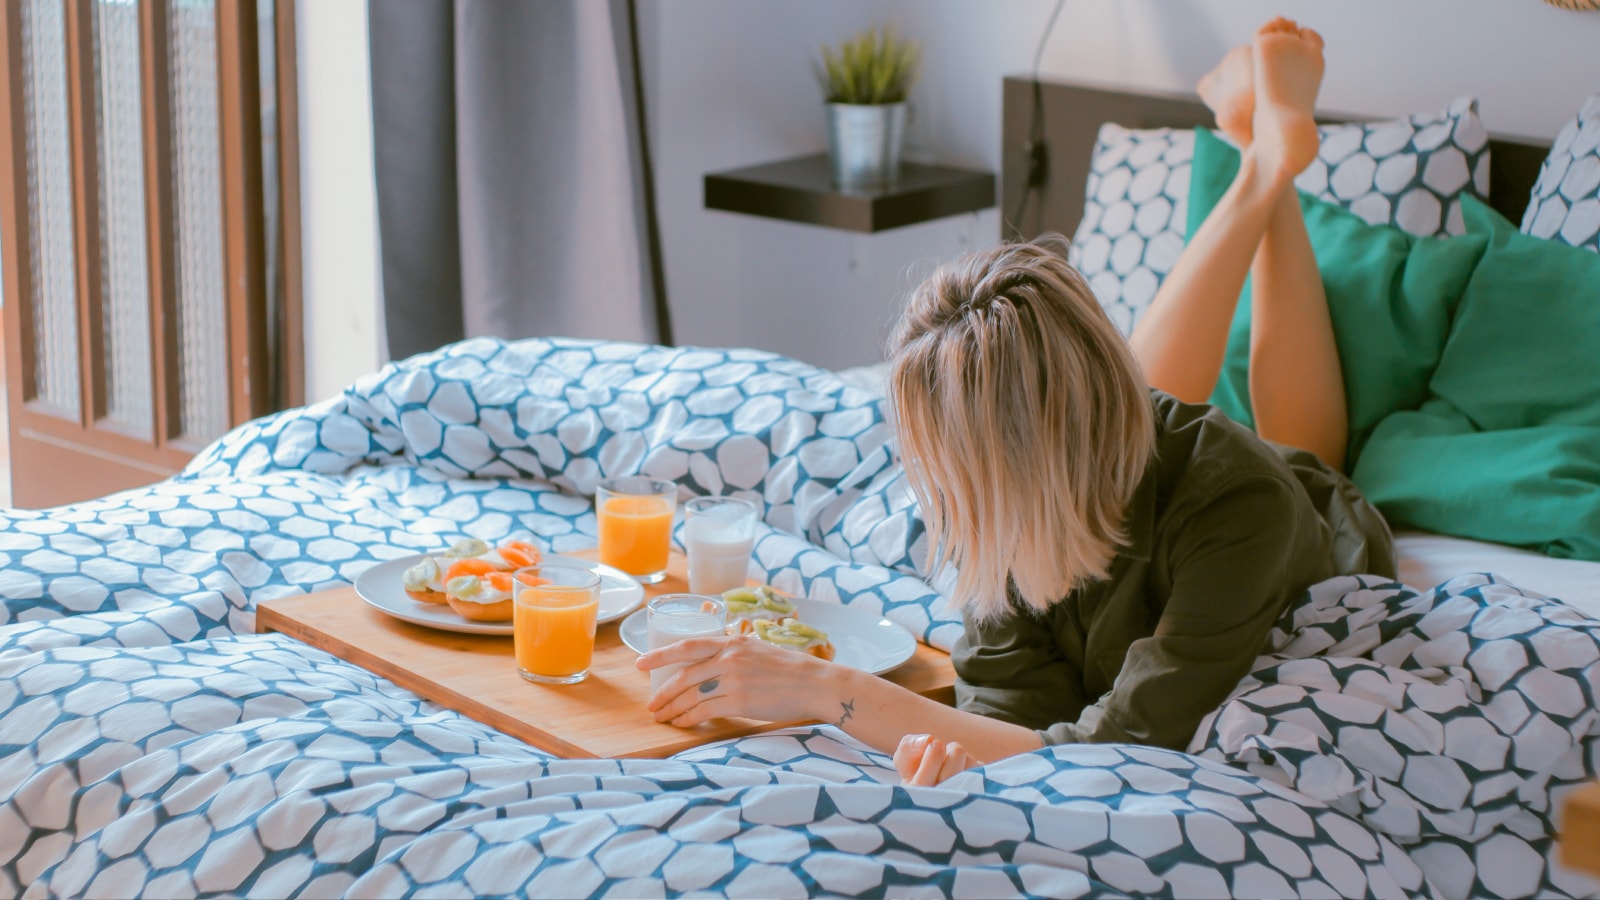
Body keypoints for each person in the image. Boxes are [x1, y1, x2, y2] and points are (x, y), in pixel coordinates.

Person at [636, 17, 1395, 787]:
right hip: (1106, 454)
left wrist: (833, 692)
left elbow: (1124, 748)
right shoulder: (996, 505)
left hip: (1298, 509)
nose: (936, 494)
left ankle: (1270, 166)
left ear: (1016, 459)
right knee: (1139, 395)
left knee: (1304, 449)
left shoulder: (1241, 510)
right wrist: (970, 753)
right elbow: (1012, 711)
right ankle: (1263, 158)